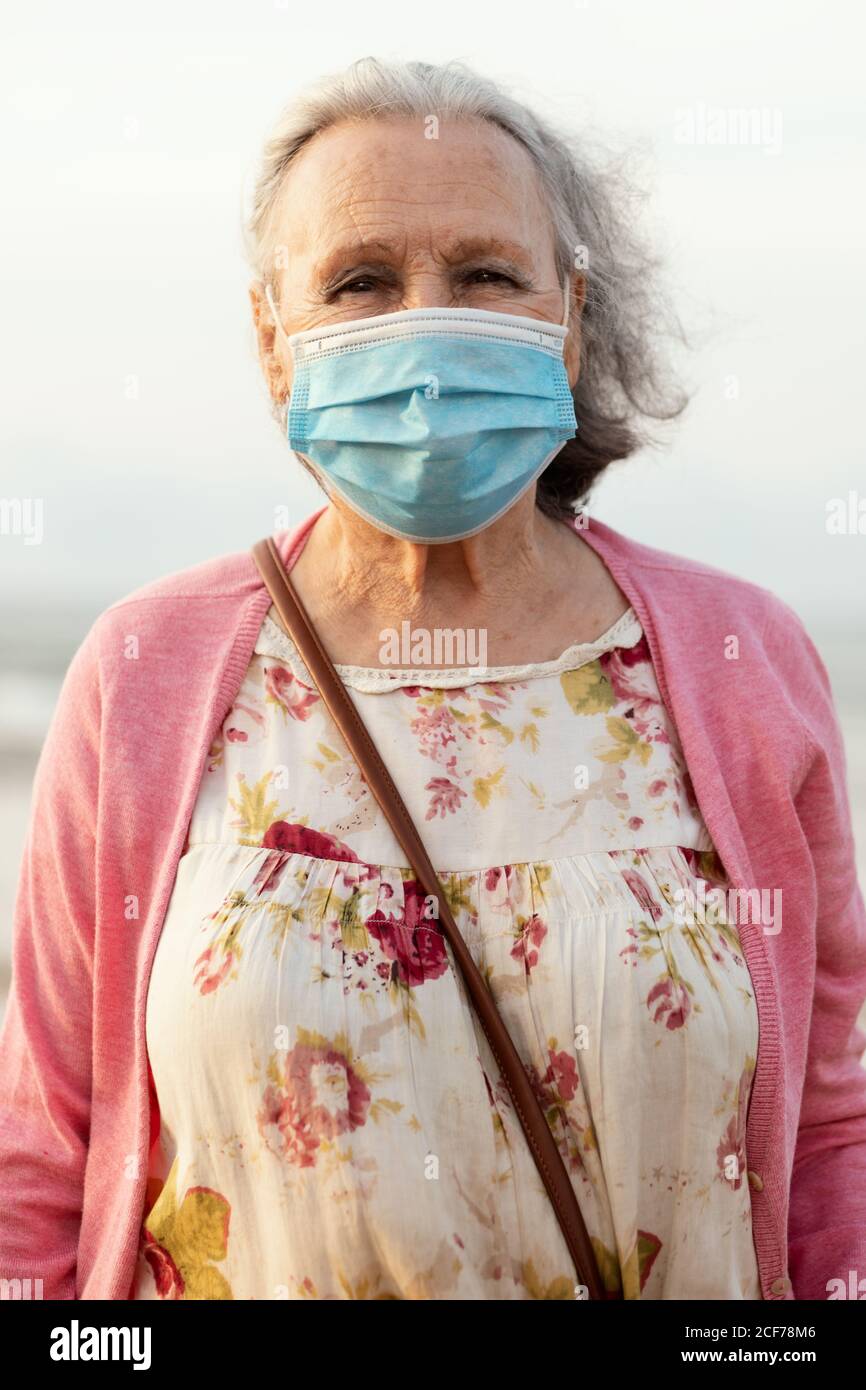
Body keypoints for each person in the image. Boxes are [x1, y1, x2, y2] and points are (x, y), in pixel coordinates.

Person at [1, 57, 864, 1301]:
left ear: (563, 318)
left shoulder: (745, 661)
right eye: (359, 281)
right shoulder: (146, 669)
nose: (425, 327)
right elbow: (45, 1151)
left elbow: (827, 1133)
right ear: (271, 340)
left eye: (482, 274)